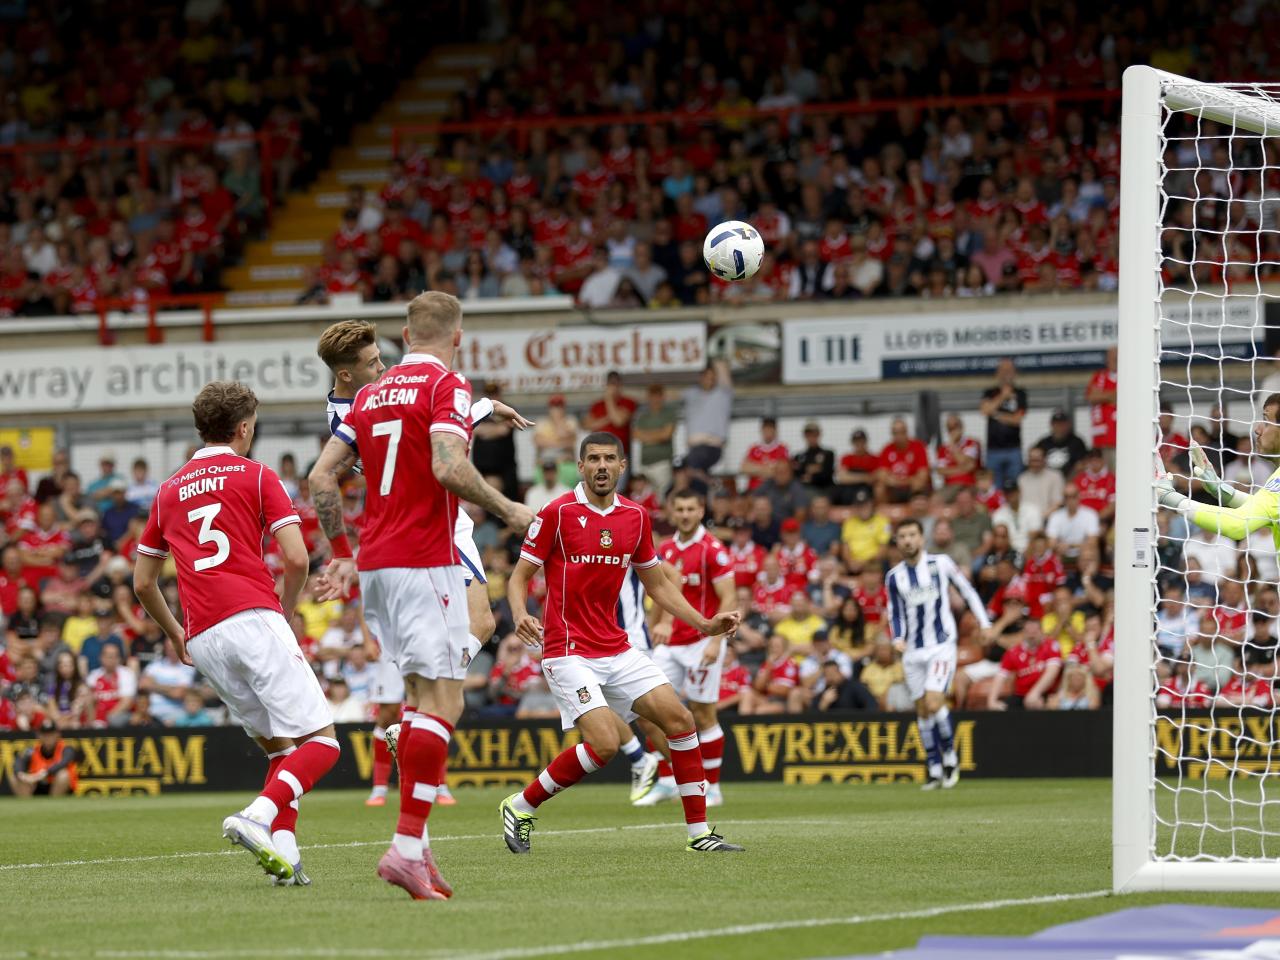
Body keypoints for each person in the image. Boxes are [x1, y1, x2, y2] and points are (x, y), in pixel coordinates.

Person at [310, 292, 534, 900]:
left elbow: (320, 477)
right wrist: (509, 506)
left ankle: (421, 850)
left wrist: (340, 553)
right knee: (446, 703)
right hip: (423, 558)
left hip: (377, 565)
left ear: (406, 335)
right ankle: (406, 850)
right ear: (456, 338)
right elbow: (447, 467)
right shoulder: (447, 384)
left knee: (418, 700)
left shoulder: (366, 397)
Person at [133, 381, 339, 886]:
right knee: (325, 743)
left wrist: (177, 632)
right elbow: (296, 558)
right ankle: (256, 816)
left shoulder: (167, 491)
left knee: (281, 750)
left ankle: (286, 858)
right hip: (252, 617)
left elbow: (143, 582)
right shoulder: (258, 475)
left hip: (203, 636)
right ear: (244, 427)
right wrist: (285, 611)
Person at [503, 432, 744, 853]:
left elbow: (659, 586)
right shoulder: (556, 513)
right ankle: (522, 804)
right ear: (580, 466)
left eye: (609, 459)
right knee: (604, 745)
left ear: (622, 465)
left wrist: (704, 624)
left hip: (616, 647)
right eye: (593, 458)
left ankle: (699, 835)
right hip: (567, 649)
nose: (601, 465)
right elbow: (519, 575)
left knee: (681, 721)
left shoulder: (636, 516)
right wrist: (521, 613)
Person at [646, 489, 737, 808]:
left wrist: (716, 641)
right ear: (672, 512)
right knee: (653, 709)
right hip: (669, 645)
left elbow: (729, 597)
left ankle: (711, 788)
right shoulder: (665, 549)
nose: (684, 514)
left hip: (701, 644)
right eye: (679, 509)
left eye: (691, 508)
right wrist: (656, 625)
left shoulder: (713, 549)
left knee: (702, 713)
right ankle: (668, 780)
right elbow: (659, 592)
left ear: (701, 511)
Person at [886, 519, 990, 789]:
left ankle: (951, 758)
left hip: (941, 646)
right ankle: (933, 767)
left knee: (934, 702)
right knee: (921, 710)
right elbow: (895, 612)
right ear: (897, 542)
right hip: (912, 651)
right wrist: (897, 638)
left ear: (921, 539)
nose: (907, 540)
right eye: (902, 536)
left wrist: (985, 622)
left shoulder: (940, 564)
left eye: (912, 535)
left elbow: (967, 590)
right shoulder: (894, 576)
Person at [979, 358, 1027, 488]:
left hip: (1014, 449)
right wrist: (1003, 396)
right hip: (993, 450)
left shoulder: (1020, 393)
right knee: (994, 487)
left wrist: (996, 414)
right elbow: (985, 411)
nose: (1006, 374)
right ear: (997, 373)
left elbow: (1017, 420)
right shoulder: (990, 392)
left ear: (1014, 373)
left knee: (1015, 486)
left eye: (1009, 370)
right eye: (1003, 370)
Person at [681, 358, 733, 476]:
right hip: (694, 447)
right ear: (701, 378)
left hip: (711, 447)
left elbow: (723, 372)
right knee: (689, 474)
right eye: (707, 376)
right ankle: (709, 485)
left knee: (688, 466)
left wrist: (716, 355)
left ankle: (711, 483)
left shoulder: (722, 395)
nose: (710, 380)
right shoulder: (691, 393)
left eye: (713, 377)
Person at [7, 719, 79, 796]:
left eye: (51, 734)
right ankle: (27, 805)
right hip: (37, 786)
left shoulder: (66, 749)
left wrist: (44, 773)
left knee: (63, 775)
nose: (48, 738)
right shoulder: (31, 750)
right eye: (45, 735)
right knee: (14, 777)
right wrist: (24, 776)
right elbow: (18, 762)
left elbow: (63, 762)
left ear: (57, 735)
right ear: (39, 735)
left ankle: (54, 805)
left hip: (56, 785)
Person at [632, 384, 677, 495]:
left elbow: (666, 435)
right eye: (652, 396)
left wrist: (646, 436)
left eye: (658, 396)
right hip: (645, 464)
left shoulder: (668, 413)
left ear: (662, 397)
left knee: (662, 495)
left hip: (662, 463)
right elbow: (636, 435)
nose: (655, 399)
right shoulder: (643, 416)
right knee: (644, 496)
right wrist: (658, 434)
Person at [584, 370, 638, 459]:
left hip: (618, 453)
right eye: (611, 384)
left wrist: (609, 399)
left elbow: (618, 421)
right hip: (598, 452)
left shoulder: (628, 402)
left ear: (620, 385)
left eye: (616, 384)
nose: (613, 387)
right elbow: (589, 425)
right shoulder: (597, 405)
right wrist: (609, 417)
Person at [877, 418, 931, 503]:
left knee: (918, 484)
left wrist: (904, 481)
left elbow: (923, 475)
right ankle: (884, 514)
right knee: (879, 488)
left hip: (911, 487)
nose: (898, 436)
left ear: (906, 432)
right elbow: (881, 475)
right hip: (894, 488)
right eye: (895, 433)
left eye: (901, 432)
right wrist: (894, 481)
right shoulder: (887, 449)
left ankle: (917, 512)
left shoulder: (918, 447)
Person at [1085, 345, 1118, 470]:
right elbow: (1091, 397)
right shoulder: (1099, 377)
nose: (1115, 361)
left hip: (1122, 437)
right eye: (1112, 358)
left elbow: (1124, 395)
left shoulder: (1129, 375)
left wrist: (1103, 395)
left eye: (1117, 358)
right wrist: (1112, 396)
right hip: (1102, 438)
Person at [934, 414, 982, 498]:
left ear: (962, 427)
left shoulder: (972, 443)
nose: (953, 430)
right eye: (950, 428)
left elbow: (968, 465)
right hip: (949, 486)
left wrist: (953, 446)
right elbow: (940, 471)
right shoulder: (943, 449)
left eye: (955, 426)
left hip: (968, 485)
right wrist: (963, 469)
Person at [1033, 409, 1088, 479]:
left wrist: (1068, 481)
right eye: (1056, 424)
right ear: (1051, 425)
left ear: (1068, 424)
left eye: (1062, 424)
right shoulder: (1043, 443)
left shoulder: (1077, 442)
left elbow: (1082, 465)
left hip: (1070, 481)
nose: (1059, 427)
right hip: (1047, 481)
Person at [740, 417, 790, 491]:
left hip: (774, 491)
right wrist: (766, 469)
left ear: (776, 431)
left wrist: (755, 468)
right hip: (754, 490)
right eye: (766, 429)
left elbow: (782, 472)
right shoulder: (753, 449)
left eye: (771, 429)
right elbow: (744, 468)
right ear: (761, 430)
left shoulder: (782, 449)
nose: (768, 432)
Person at [793, 422, 835, 492]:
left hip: (825, 489)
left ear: (819, 435)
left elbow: (827, 475)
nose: (811, 438)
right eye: (808, 435)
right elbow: (797, 476)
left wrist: (810, 476)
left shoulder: (828, 454)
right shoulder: (798, 457)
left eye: (814, 435)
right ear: (805, 436)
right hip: (805, 490)